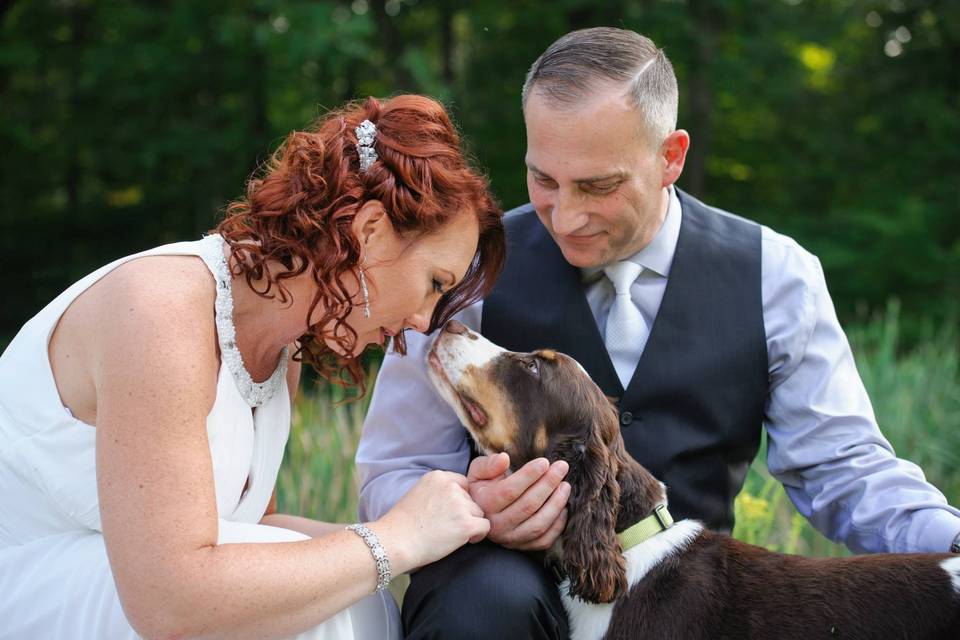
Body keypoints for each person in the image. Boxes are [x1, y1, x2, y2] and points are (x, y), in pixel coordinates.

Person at [356, 27, 960, 639]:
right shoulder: (463, 269)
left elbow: (845, 468)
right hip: (502, 600)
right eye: (543, 180)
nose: (566, 215)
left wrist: (954, 541)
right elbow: (391, 474)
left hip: (687, 612)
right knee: (481, 600)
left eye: (598, 186)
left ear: (671, 156)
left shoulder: (776, 276)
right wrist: (474, 511)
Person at [0, 94, 504, 639]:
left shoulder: (278, 349)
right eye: (434, 283)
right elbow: (169, 599)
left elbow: (252, 530)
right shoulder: (158, 310)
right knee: (330, 609)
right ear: (371, 231)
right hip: (30, 588)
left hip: (116, 594)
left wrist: (445, 521)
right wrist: (395, 540)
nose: (426, 322)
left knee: (349, 588)